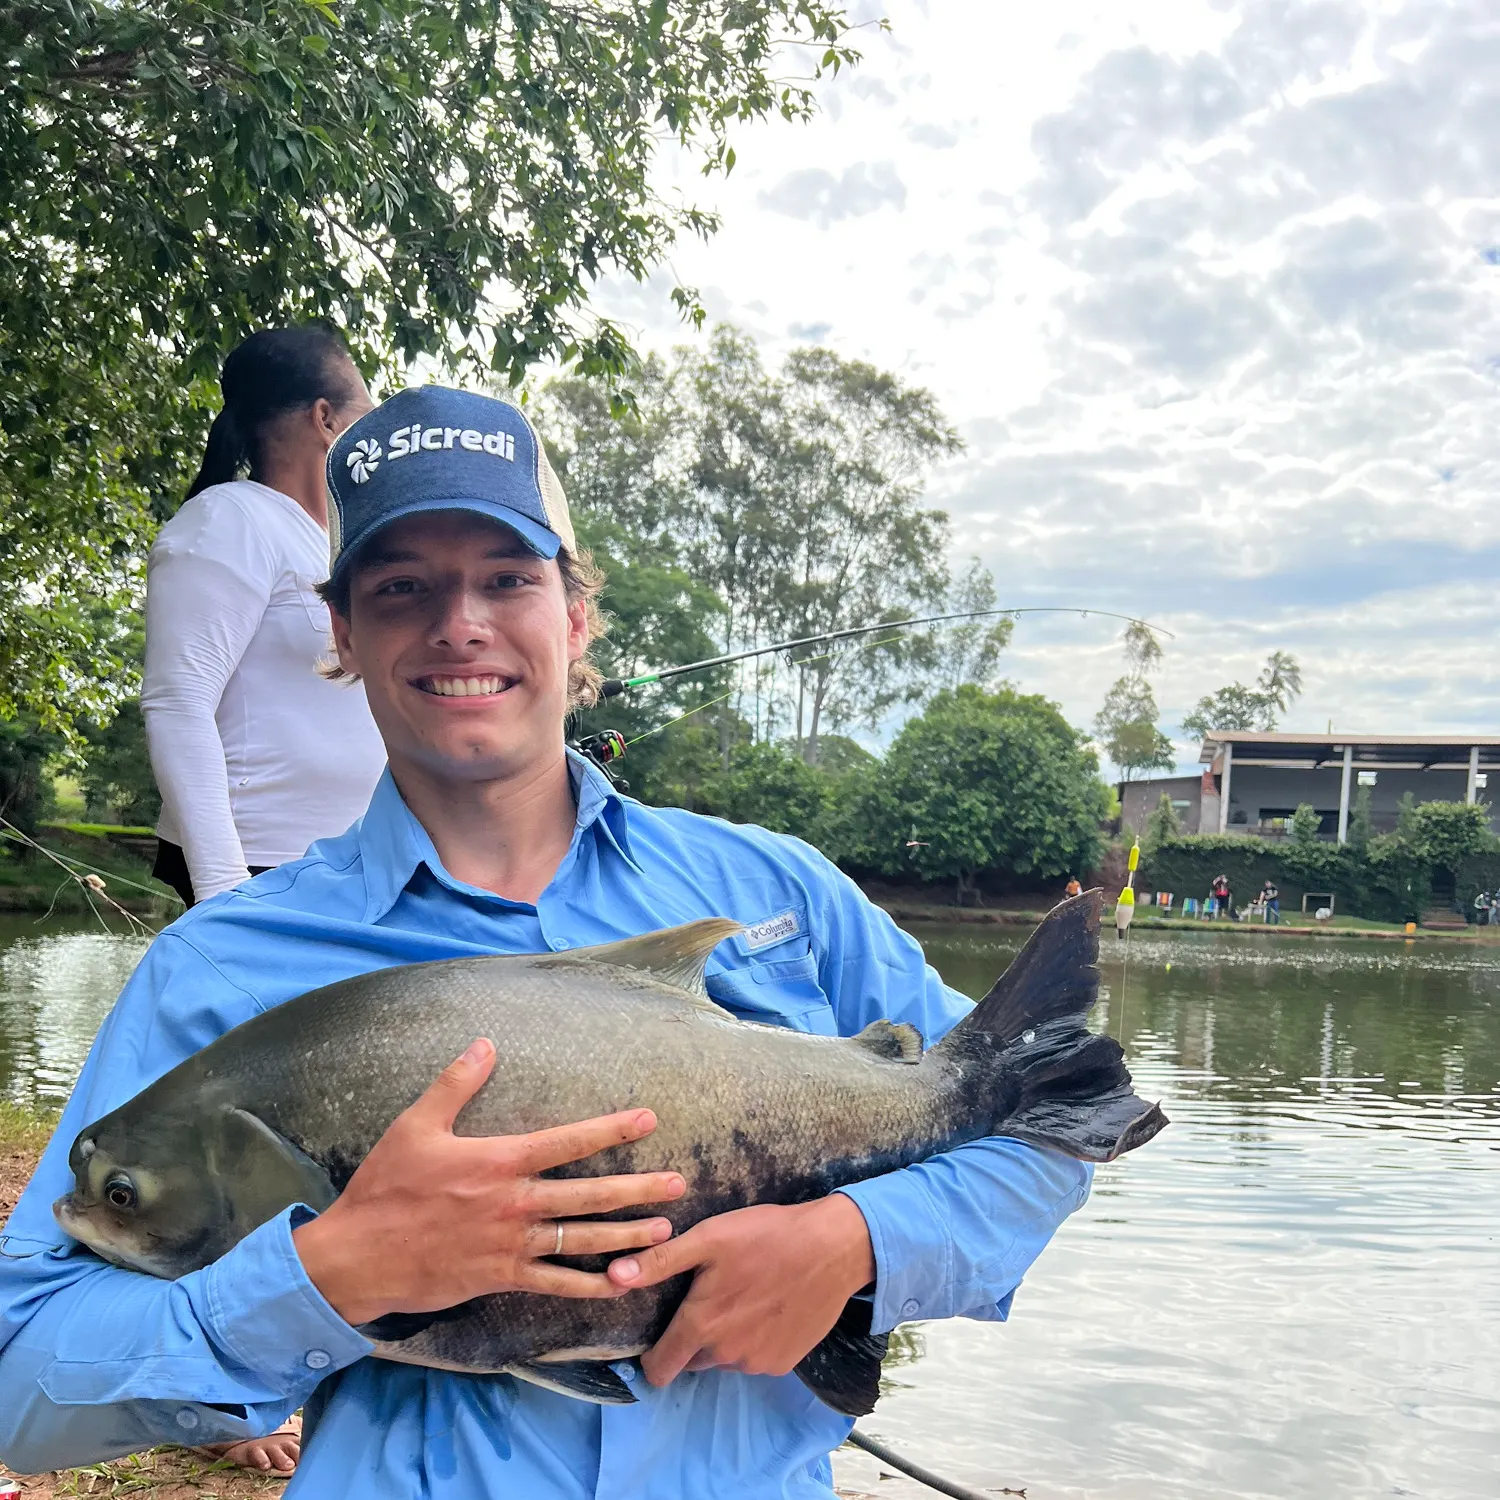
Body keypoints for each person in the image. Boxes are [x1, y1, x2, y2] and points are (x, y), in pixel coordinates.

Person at [0, 387, 1091, 1499]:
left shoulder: (781, 890)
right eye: (401, 587)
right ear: (342, 632)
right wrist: (321, 1279)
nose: (458, 622)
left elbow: (1047, 1124)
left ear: (574, 617)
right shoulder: (223, 966)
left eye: (506, 578)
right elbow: (20, 1384)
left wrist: (858, 1241)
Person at [142, 326, 388, 909]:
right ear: (326, 419)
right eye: (367, 414)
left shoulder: (335, 545)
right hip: (260, 869)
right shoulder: (229, 520)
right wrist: (225, 896)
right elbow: (178, 703)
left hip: (349, 861)